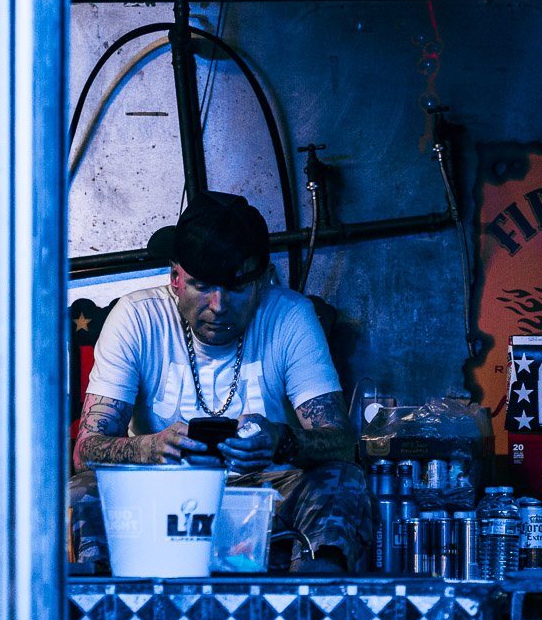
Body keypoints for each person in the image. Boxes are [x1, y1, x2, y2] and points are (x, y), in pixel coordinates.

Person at [69, 192, 370, 572]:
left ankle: (313, 609)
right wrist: (150, 448)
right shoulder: (136, 317)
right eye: (202, 286)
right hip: (160, 499)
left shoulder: (290, 316)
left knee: (341, 480)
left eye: (237, 287)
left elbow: (342, 444)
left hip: (265, 498)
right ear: (176, 278)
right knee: (82, 492)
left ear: (261, 283)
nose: (218, 305)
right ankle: (106, 616)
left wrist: (283, 441)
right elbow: (85, 452)